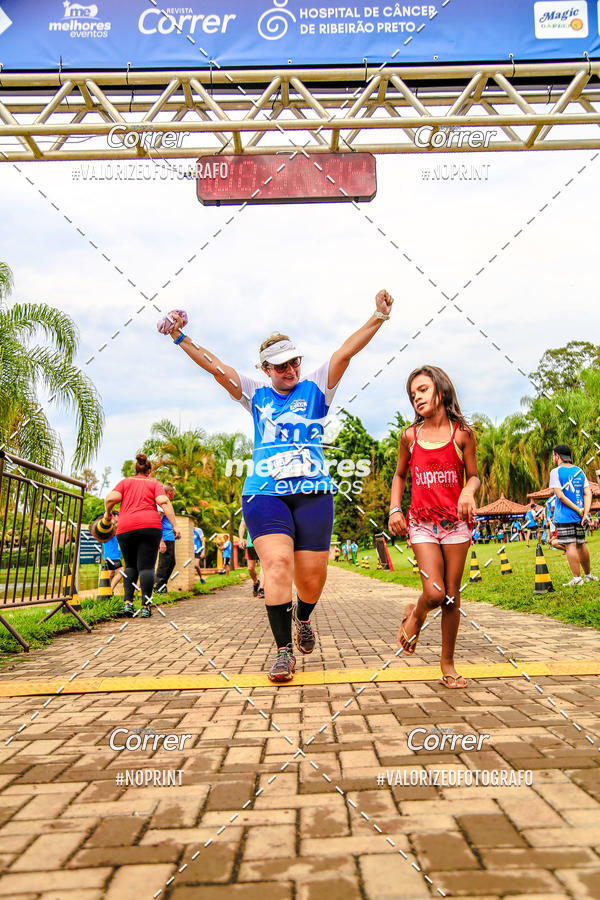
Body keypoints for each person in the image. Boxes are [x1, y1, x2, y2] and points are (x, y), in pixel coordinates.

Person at [163, 289, 394, 682]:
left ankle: (303, 617)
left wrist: (378, 315)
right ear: (267, 369)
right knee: (277, 565)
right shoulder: (256, 393)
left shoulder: (316, 387)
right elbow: (215, 367)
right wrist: (180, 337)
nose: (290, 370)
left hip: (313, 494)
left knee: (312, 577)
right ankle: (283, 652)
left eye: (294, 362)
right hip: (264, 493)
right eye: (281, 366)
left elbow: (343, 354)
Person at [388, 365, 480, 690]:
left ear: (441, 390)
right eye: (413, 394)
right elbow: (400, 476)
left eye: (423, 390)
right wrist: (394, 508)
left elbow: (474, 475)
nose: (417, 398)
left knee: (452, 597)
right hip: (422, 524)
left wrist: (468, 492)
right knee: (435, 593)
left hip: (456, 525)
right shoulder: (410, 437)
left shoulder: (462, 434)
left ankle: (447, 663)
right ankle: (416, 614)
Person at [104, 453, 180, 618]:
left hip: (126, 527)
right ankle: (145, 607)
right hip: (149, 527)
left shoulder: (125, 482)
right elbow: (164, 502)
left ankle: (128, 604)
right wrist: (175, 526)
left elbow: (111, 498)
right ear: (149, 470)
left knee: (130, 566)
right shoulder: (154, 483)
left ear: (135, 468)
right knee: (146, 567)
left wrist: (107, 514)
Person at [549, 443, 598, 586]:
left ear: (557, 456)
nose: (553, 458)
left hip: (565, 516)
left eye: (553, 455)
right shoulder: (579, 471)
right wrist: (585, 513)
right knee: (581, 544)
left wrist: (578, 510)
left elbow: (560, 496)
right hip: (580, 516)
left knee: (570, 545)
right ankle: (588, 575)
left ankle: (577, 578)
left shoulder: (556, 472)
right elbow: (587, 493)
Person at [154, 483, 177, 593]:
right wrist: (161, 541)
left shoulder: (167, 505)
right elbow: (157, 523)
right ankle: (157, 588)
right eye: (174, 492)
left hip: (170, 537)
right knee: (164, 564)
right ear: (170, 492)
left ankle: (162, 586)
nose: (174, 494)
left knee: (171, 563)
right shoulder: (161, 505)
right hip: (165, 538)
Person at [239, 518, 263, 597]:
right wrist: (241, 538)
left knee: (263, 566)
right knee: (250, 568)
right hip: (251, 543)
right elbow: (242, 525)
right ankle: (256, 582)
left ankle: (262, 589)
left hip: (263, 541)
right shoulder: (248, 506)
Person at [101, 511, 123, 593]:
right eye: (118, 516)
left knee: (110, 574)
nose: (119, 518)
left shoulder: (115, 527)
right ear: (114, 516)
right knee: (121, 571)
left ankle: (104, 592)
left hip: (114, 554)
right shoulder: (108, 526)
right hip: (111, 554)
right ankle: (109, 591)